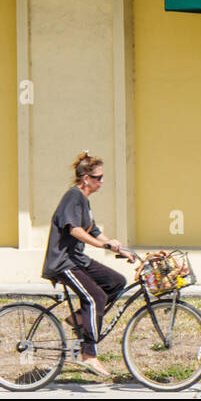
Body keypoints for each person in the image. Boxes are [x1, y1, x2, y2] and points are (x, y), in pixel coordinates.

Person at [41, 151, 136, 377]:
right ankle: (88, 354)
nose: (102, 182)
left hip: (78, 260)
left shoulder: (84, 201)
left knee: (116, 282)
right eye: (98, 177)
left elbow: (93, 231)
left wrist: (120, 249)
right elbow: (75, 230)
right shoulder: (73, 197)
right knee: (96, 297)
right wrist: (102, 246)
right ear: (86, 178)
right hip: (63, 262)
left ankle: (79, 319)